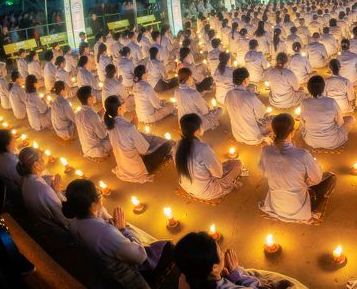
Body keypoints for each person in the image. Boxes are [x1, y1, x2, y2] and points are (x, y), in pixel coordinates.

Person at [62, 178, 175, 287]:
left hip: (105, 270)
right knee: (169, 247)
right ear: (92, 205)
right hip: (129, 278)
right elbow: (140, 257)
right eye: (99, 193)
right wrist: (122, 230)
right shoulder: (106, 233)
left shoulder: (73, 223)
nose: (101, 195)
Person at [258, 113, 336, 223]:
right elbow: (316, 179)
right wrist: (303, 182)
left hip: (275, 206)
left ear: (274, 132)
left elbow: (264, 171)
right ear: (292, 132)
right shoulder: (302, 154)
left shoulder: (265, 151)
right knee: (331, 177)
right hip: (299, 209)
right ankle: (313, 205)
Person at [174, 231, 304, 289]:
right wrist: (237, 274)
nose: (223, 252)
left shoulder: (184, 278)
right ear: (214, 268)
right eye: (220, 251)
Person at [104, 95, 174, 183]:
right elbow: (144, 150)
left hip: (124, 166)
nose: (125, 101)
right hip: (138, 169)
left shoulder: (111, 126)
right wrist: (134, 126)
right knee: (169, 143)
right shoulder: (129, 127)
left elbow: (126, 137)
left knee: (147, 138)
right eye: (122, 101)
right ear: (120, 109)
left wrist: (133, 126)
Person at [174, 113, 242, 201]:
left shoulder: (177, 145)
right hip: (206, 191)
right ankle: (228, 187)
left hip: (186, 187)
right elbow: (218, 174)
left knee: (215, 166)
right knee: (237, 164)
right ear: (197, 131)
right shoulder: (203, 148)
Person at [300, 75, 354, 149]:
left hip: (311, 140)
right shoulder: (331, 101)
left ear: (308, 89)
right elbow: (340, 123)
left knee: (301, 124)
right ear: (323, 88)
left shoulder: (303, 102)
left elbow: (303, 124)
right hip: (332, 140)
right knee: (350, 119)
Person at [224, 67, 271, 145]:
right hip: (254, 137)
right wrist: (252, 95)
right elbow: (262, 114)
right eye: (248, 79)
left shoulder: (228, 94)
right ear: (245, 80)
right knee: (274, 119)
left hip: (237, 135)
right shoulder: (250, 97)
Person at [0, 129, 21, 200]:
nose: (16, 140)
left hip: (9, 185)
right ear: (7, 145)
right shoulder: (12, 164)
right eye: (14, 139)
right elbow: (24, 181)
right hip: (18, 192)